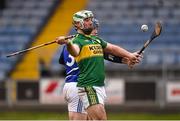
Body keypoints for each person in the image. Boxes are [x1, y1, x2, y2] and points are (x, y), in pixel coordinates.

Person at [56, 10, 142, 120]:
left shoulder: (94, 40)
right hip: (82, 83)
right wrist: (69, 44)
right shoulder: (77, 42)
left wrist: (128, 57)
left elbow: (110, 50)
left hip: (80, 83)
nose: (93, 26)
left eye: (92, 21)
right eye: (87, 20)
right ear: (78, 24)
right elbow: (75, 52)